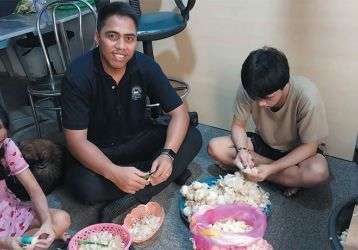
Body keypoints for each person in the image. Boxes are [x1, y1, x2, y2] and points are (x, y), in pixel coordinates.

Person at [61, 2, 202, 222]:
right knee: (84, 187)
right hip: (101, 151)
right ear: (97, 37)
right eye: (112, 36)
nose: (121, 46)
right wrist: (113, 173)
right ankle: (161, 176)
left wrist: (167, 155)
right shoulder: (78, 75)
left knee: (193, 137)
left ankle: (134, 194)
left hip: (139, 139)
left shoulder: (145, 66)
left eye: (129, 38)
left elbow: (179, 112)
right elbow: (76, 142)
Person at [208, 47, 329, 196]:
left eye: (268, 97)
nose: (261, 104)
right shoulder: (250, 89)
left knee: (318, 173)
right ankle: (286, 179)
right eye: (256, 98)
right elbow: (238, 126)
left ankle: (260, 173)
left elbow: (309, 147)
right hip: (265, 144)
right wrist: (242, 150)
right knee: (215, 147)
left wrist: (271, 169)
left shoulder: (307, 96)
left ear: (284, 85)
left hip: (297, 152)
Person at [0, 105, 70, 250]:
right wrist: (6, 242)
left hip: (11, 213)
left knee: (61, 220)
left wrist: (46, 224)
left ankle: (27, 243)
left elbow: (34, 189)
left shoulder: (6, 146)